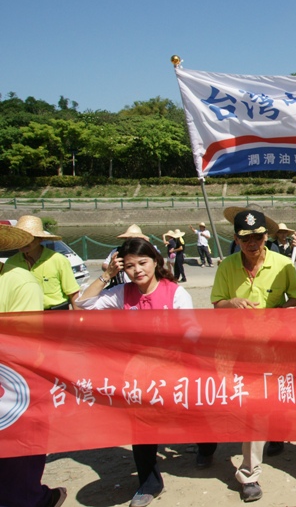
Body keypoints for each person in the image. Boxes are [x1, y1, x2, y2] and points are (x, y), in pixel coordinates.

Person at [76, 238, 194, 507]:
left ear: (155, 261)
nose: (137, 270)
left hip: (174, 370)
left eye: (142, 263)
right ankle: (149, 482)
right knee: (141, 427)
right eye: (130, 266)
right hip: (138, 374)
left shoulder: (175, 293)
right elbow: (83, 304)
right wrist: (107, 275)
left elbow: (192, 332)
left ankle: (206, 448)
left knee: (190, 416)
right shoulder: (121, 294)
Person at [202, 208, 296, 503]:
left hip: (274, 349)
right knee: (249, 407)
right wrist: (231, 302)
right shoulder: (226, 267)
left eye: (258, 237)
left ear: (266, 237)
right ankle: (249, 475)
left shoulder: (284, 265)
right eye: (246, 237)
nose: (253, 243)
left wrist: (283, 313)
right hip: (237, 351)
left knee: (269, 402)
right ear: (236, 238)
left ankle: (273, 432)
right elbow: (217, 304)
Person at [0, 225, 67, 507]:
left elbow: (24, 345)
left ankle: (28, 497)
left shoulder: (21, 281)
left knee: (20, 446)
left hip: (13, 377)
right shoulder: (16, 268)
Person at [5, 215, 79, 310]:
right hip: (25, 314)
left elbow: (73, 293)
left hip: (56, 314)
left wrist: (78, 319)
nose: (24, 242)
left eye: (29, 238)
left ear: (40, 239)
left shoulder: (58, 260)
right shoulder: (11, 262)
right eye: (21, 238)